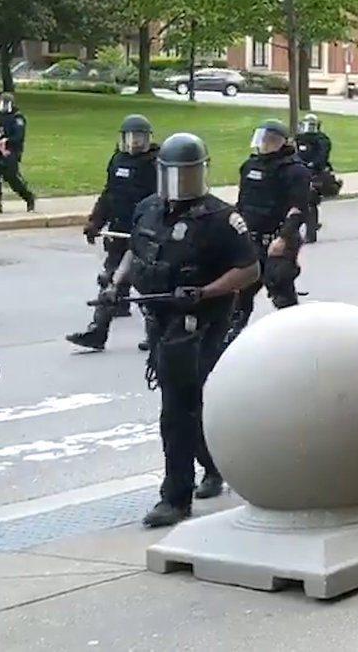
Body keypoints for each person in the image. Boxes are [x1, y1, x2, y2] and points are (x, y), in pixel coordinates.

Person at [97, 133, 260, 526]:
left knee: (177, 409)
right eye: (172, 173)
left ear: (201, 172)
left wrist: (205, 292)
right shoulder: (147, 209)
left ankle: (175, 497)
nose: (179, 182)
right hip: (159, 318)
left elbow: (249, 270)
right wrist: (115, 286)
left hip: (200, 321)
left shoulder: (222, 218)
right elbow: (137, 253)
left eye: (186, 173)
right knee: (188, 404)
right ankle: (215, 465)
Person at [68, 115, 161, 352]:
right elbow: (109, 195)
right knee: (109, 281)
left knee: (148, 285)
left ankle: (156, 334)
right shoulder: (117, 160)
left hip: (145, 234)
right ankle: (97, 331)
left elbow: (161, 202)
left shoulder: (155, 164)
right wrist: (95, 222)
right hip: (119, 232)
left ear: (148, 139)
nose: (134, 142)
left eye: (139, 137)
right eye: (130, 137)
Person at [224, 120, 312, 346]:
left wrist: (283, 237)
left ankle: (296, 335)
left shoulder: (294, 170)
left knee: (279, 285)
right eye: (262, 139)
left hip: (279, 238)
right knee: (242, 289)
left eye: (270, 140)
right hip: (251, 238)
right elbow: (243, 202)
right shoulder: (250, 167)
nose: (264, 144)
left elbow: (298, 208)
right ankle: (231, 333)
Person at [293, 114, 336, 243]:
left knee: (310, 202)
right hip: (301, 172)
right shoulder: (299, 138)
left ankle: (311, 232)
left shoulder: (322, 140)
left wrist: (313, 165)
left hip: (316, 173)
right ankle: (299, 229)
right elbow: (295, 153)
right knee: (296, 202)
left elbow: (322, 157)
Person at [0, 91, 36, 213]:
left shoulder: (17, 118)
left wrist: (6, 141)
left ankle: (28, 197)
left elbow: (19, 136)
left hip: (11, 151)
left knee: (12, 178)